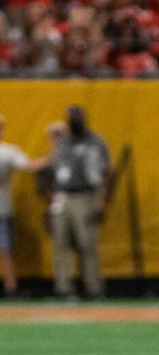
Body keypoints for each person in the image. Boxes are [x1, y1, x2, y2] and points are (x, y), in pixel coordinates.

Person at [50, 105, 110, 301]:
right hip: (62, 196)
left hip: (85, 195)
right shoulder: (62, 142)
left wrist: (102, 199)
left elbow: (106, 172)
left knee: (87, 243)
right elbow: (54, 170)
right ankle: (64, 289)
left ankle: (93, 288)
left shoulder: (95, 141)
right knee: (61, 243)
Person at [0, 114, 53, 298]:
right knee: (6, 250)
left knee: (6, 250)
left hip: (2, 209)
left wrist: (50, 154)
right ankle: (11, 287)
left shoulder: (7, 152)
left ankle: (11, 287)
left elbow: (30, 165)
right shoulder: (7, 152)